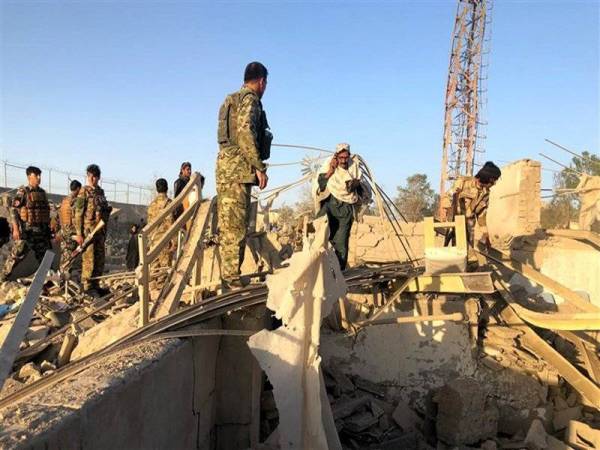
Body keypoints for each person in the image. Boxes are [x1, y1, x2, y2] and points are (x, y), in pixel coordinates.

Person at [216, 61, 272, 289]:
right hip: (237, 170)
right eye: (265, 84)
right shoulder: (250, 100)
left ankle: (229, 276)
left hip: (226, 168)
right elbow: (245, 132)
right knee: (236, 228)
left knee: (230, 225)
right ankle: (230, 280)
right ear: (261, 81)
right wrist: (259, 167)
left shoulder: (231, 99)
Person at [314, 143, 369, 270]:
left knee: (341, 244)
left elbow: (362, 191)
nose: (344, 160)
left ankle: (338, 273)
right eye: (341, 158)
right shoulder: (329, 165)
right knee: (320, 232)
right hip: (331, 204)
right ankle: (318, 267)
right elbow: (321, 183)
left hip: (346, 209)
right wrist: (331, 171)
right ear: (337, 156)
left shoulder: (354, 168)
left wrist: (355, 185)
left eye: (346, 157)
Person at [1, 166, 52, 280]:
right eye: (36, 175)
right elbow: (14, 209)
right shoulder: (23, 192)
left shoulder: (42, 193)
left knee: (46, 260)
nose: (39, 178)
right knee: (16, 256)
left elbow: (46, 212)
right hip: (28, 232)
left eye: (40, 175)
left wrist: (49, 229)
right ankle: (2, 277)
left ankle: (46, 282)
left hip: (42, 233)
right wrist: (15, 228)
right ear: (29, 177)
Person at [441, 161, 502, 248]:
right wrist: (445, 211)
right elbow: (448, 196)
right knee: (455, 250)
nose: (494, 184)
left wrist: (486, 234)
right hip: (455, 222)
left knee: (467, 252)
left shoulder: (486, 193)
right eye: (493, 181)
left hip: (469, 227)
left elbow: (481, 215)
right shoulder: (464, 182)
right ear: (486, 178)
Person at [73, 164, 112, 297]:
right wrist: (78, 233)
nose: (93, 179)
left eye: (95, 176)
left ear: (98, 177)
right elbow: (78, 214)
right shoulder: (84, 192)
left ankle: (95, 285)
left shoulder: (100, 192)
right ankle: (87, 287)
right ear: (88, 176)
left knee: (100, 259)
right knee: (89, 260)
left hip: (100, 231)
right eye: (91, 176)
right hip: (88, 232)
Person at [147, 178, 173, 270]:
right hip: (164, 242)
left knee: (154, 271)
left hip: (153, 242)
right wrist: (175, 243)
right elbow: (171, 223)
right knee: (164, 272)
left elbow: (149, 224)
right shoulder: (169, 203)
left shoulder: (152, 205)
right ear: (167, 188)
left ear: (157, 189)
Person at [58, 179, 82, 273]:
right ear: (78, 189)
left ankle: (61, 278)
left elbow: (59, 216)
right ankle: (64, 282)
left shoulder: (64, 201)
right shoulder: (76, 202)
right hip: (72, 234)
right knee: (69, 259)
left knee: (64, 257)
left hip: (64, 232)